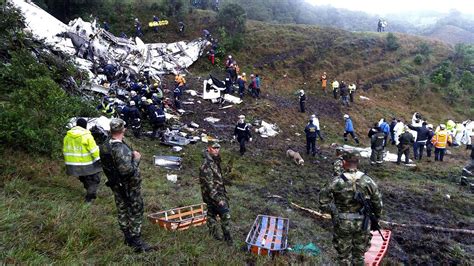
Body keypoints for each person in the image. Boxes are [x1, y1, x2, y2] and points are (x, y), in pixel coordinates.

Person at [319, 151, 383, 265]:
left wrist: (335, 212)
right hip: (363, 223)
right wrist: (376, 218)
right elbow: (378, 203)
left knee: (343, 257)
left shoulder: (336, 181)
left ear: (344, 162)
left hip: (342, 223)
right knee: (359, 256)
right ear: (358, 162)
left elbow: (323, 203)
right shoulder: (368, 180)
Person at [99, 118, 152, 252]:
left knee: (122, 208)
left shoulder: (105, 145)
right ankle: (136, 240)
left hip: (116, 184)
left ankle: (127, 236)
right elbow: (126, 171)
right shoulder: (119, 149)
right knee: (136, 209)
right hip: (128, 185)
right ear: (123, 130)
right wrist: (136, 160)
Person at [199, 142, 233, 245]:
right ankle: (228, 240)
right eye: (214, 148)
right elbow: (209, 185)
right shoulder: (206, 165)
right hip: (213, 196)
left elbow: (218, 178)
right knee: (225, 215)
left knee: (211, 214)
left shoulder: (215, 160)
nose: (217, 150)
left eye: (218, 148)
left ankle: (213, 235)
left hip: (217, 194)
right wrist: (219, 199)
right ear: (209, 149)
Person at [63, 118, 102, 203]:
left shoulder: (67, 136)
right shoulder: (87, 136)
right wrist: (99, 160)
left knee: (84, 178)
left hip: (72, 164)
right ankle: (90, 197)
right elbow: (94, 151)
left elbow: (65, 149)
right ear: (85, 126)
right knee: (95, 179)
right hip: (85, 163)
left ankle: (90, 191)